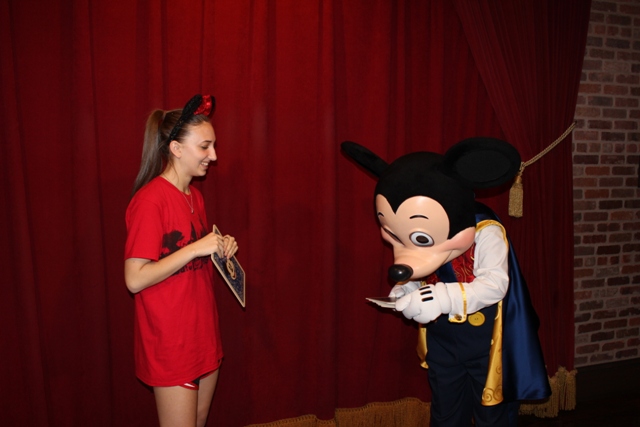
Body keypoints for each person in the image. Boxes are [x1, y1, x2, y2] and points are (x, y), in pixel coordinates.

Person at [124, 94, 238, 427]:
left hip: (202, 332)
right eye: (204, 147)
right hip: (172, 341)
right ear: (176, 148)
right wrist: (194, 248)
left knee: (199, 420)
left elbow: (190, 258)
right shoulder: (150, 201)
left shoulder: (195, 197)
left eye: (213, 146)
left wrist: (219, 247)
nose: (213, 156)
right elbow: (134, 278)